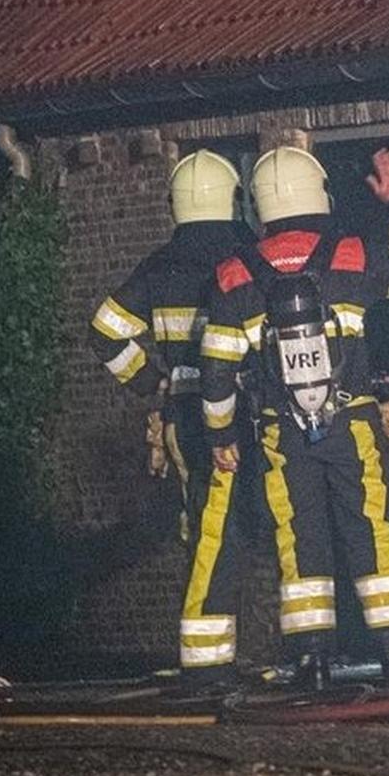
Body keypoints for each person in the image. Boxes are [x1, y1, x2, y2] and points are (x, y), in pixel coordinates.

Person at [198, 144, 389, 689]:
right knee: (373, 530)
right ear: (321, 194)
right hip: (353, 422)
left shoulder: (234, 275)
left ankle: (312, 660)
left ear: (258, 207)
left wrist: (219, 433)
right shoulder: (351, 254)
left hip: (281, 431)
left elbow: (216, 368)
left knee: (298, 536)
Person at [91, 149, 259, 693]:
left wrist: (150, 382)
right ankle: (207, 659)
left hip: (182, 414)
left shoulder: (157, 267)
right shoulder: (248, 258)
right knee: (231, 528)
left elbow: (105, 331)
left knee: (206, 528)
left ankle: (218, 652)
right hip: (240, 410)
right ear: (235, 199)